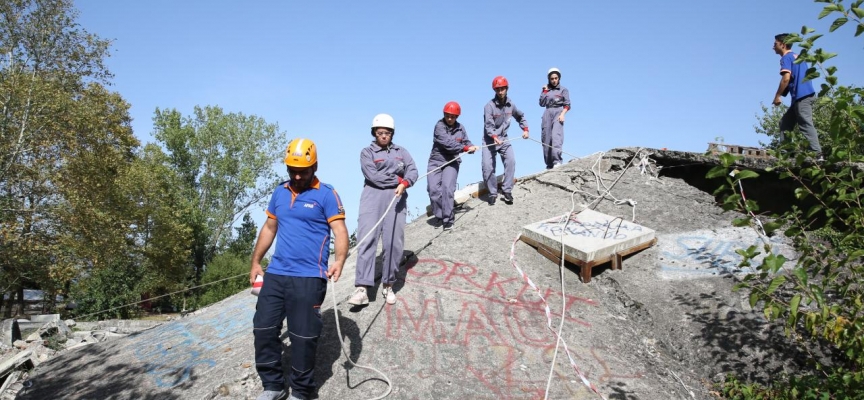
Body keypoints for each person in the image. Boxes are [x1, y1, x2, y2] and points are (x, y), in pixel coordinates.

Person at [249, 138, 348, 400]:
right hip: (277, 274)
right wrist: (256, 261)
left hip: (308, 277)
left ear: (314, 166)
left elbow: (340, 231)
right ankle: (273, 386)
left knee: (303, 336)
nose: (297, 175)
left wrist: (339, 260)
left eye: (303, 170)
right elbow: (270, 228)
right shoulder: (280, 192)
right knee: (263, 328)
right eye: (292, 170)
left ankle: (302, 392)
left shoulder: (327, 194)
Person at [348, 114, 419, 306]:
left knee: (394, 243)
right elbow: (373, 176)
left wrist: (406, 182)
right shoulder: (366, 152)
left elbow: (413, 171)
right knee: (367, 239)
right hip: (372, 197)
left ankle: (388, 285)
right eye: (380, 133)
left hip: (396, 199)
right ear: (374, 133)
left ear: (392, 134)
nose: (384, 136)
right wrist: (397, 179)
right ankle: (362, 288)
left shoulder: (401, 152)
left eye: (387, 133)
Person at [427, 101, 478, 231]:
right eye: (447, 116)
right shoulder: (439, 126)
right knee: (433, 189)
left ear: (457, 117)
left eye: (453, 116)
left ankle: (448, 220)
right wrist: (465, 148)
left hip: (452, 161)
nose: (449, 119)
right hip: (436, 161)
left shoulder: (461, 128)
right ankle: (439, 215)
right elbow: (448, 143)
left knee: (447, 188)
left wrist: (471, 147)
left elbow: (466, 141)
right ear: (444, 114)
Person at [772, 33, 823, 159]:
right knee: (785, 123)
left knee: (805, 123)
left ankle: (817, 154)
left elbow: (786, 78)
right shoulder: (797, 56)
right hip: (801, 97)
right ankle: (786, 153)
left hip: (803, 96)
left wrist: (777, 96)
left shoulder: (786, 57)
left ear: (782, 45)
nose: (773, 47)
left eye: (775, 44)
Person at [483, 76, 529, 205]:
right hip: (490, 140)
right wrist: (494, 137)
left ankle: (507, 190)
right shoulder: (489, 106)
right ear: (495, 90)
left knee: (511, 161)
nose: (500, 91)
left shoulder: (511, 105)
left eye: (502, 89)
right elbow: (488, 125)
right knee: (487, 167)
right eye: (498, 89)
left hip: (504, 138)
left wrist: (525, 129)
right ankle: (492, 192)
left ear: (506, 89)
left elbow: (520, 116)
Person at [539, 67, 571, 169]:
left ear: (559, 78)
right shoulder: (546, 90)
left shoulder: (563, 90)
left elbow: (567, 104)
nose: (554, 80)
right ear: (549, 79)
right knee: (546, 139)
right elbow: (541, 103)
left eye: (556, 78)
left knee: (556, 137)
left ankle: (557, 161)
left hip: (558, 112)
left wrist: (563, 114)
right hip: (547, 113)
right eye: (552, 78)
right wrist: (544, 91)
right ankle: (549, 164)